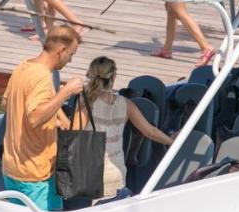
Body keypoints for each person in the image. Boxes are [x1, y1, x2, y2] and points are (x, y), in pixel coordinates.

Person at [1, 26, 85, 211]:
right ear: (61, 50)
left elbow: (6, 104)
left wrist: (53, 119)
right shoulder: (42, 76)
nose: (70, 60)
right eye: (71, 54)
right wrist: (66, 92)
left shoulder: (22, 67)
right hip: (35, 174)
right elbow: (33, 118)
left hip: (12, 168)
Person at [70, 56, 174, 202]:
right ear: (114, 77)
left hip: (90, 177)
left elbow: (73, 134)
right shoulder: (126, 104)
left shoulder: (85, 102)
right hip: (116, 176)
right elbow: (150, 131)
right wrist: (171, 141)